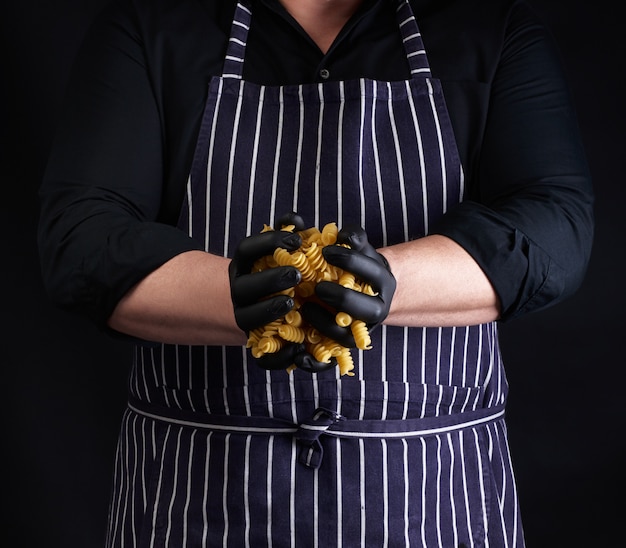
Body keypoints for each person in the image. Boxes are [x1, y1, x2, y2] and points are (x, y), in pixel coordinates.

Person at [38, 0, 594, 545]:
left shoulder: (490, 27)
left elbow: (554, 228)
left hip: (434, 504)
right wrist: (238, 296)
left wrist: (377, 282)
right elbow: (83, 240)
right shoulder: (150, 24)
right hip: (199, 502)